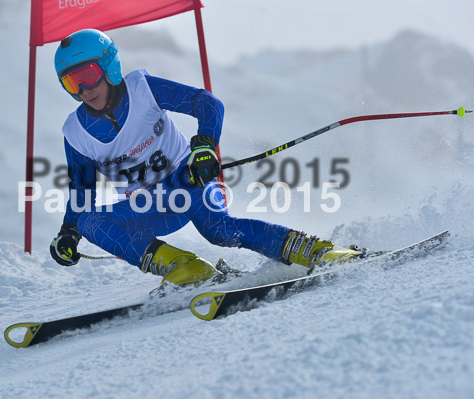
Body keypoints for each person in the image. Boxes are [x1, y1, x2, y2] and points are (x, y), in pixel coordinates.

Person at [49, 29, 361, 286]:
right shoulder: (76, 132)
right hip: (148, 206)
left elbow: (206, 103)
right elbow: (82, 191)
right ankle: (186, 268)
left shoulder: (142, 90)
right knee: (90, 221)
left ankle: (317, 251)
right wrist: (68, 232)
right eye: (72, 82)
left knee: (219, 230)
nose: (84, 90)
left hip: (188, 181)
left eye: (88, 75)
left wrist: (204, 147)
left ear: (109, 66)